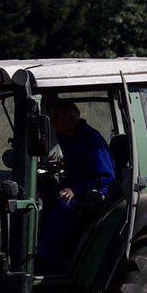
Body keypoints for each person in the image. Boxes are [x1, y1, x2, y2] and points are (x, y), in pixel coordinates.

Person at [37, 99, 116, 268]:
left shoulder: (91, 140)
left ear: (71, 120)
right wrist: (62, 165)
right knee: (43, 192)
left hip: (95, 190)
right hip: (76, 183)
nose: (54, 119)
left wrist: (76, 189)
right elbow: (77, 163)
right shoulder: (66, 135)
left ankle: (47, 257)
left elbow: (106, 175)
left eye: (58, 116)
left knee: (64, 203)